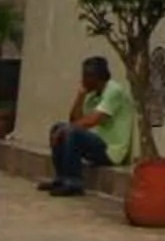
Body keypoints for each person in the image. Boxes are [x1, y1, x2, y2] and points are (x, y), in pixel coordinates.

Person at [41, 54, 132, 194]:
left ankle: (74, 182)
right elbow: (75, 120)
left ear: (95, 77)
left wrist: (68, 129)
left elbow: (92, 120)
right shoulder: (93, 94)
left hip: (112, 151)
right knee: (58, 128)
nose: (82, 80)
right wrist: (80, 96)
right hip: (98, 144)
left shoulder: (114, 91)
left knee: (71, 132)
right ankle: (61, 178)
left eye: (85, 76)